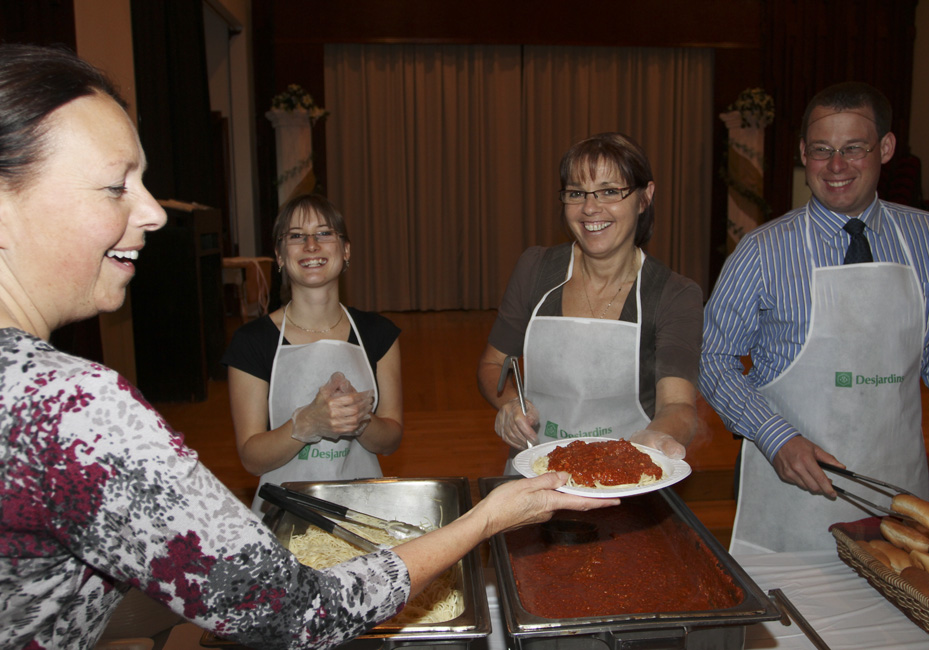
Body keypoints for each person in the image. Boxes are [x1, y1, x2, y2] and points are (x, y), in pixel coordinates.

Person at [0, 44, 618, 649]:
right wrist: (487, 518)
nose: (155, 212)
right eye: (116, 185)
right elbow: (295, 612)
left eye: (144, 180)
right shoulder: (70, 409)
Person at [700, 81, 929, 555]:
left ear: (885, 148)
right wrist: (776, 437)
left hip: (900, 498)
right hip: (789, 501)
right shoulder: (762, 252)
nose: (837, 166)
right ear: (804, 153)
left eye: (854, 149)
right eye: (823, 150)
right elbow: (712, 359)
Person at [477, 132, 703, 474]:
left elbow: (678, 404)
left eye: (610, 191)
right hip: (537, 473)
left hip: (627, 477)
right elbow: (493, 365)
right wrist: (510, 404)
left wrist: (657, 437)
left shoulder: (673, 294)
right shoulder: (536, 269)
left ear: (645, 197)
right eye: (576, 193)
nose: (590, 208)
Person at [222, 193, 403, 513]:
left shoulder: (379, 333)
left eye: (324, 233)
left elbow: (390, 441)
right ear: (279, 256)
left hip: (362, 512)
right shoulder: (251, 342)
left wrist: (360, 419)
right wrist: (306, 424)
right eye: (295, 236)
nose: (311, 245)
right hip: (283, 514)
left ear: (345, 250)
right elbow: (251, 458)